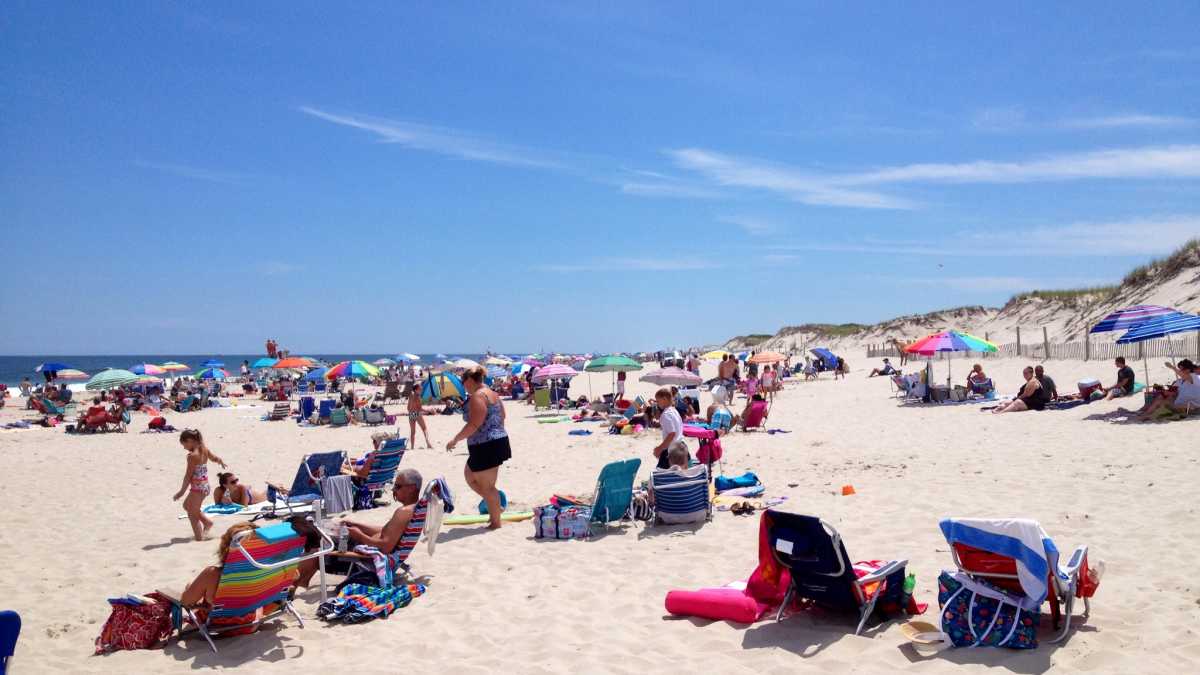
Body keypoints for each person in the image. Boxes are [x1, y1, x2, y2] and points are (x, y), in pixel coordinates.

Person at [296, 469, 424, 587]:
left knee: (316, 543)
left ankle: (296, 584)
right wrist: (356, 525)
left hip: (366, 562)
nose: (393, 490)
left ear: (412, 488)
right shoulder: (414, 509)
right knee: (325, 532)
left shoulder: (403, 512)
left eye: (398, 486)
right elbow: (386, 532)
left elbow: (386, 546)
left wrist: (359, 535)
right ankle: (301, 581)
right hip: (369, 552)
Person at [447, 366, 510, 529]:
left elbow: (474, 424)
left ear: (470, 380)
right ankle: (495, 505)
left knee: (487, 487)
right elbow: (502, 416)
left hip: (486, 445)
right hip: (495, 441)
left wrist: (455, 439)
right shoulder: (493, 394)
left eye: (463, 381)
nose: (463, 384)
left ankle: (496, 522)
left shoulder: (478, 396)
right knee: (470, 476)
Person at [180, 522, 257, 610]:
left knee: (189, 587)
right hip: (250, 618)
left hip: (220, 621)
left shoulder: (213, 574)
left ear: (225, 546)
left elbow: (185, 602)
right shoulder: (264, 569)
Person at [174, 429, 228, 541]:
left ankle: (199, 538)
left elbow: (188, 476)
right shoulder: (204, 449)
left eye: (184, 445)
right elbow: (214, 458)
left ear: (189, 441)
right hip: (204, 487)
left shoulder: (192, 456)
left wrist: (181, 492)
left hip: (197, 489)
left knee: (191, 514)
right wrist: (220, 461)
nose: (184, 448)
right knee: (187, 506)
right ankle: (207, 522)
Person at [651, 387, 687, 470]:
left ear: (664, 399)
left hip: (672, 450)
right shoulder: (674, 411)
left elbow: (671, 434)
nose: (657, 404)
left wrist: (659, 448)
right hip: (682, 446)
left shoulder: (666, 414)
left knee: (662, 473)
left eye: (658, 401)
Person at [213, 472, 288, 506]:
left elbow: (244, 506)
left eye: (237, 480)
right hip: (245, 493)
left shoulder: (241, 487)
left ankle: (278, 485)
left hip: (253, 497)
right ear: (225, 485)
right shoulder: (218, 491)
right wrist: (223, 502)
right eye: (233, 482)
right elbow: (217, 505)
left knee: (266, 495)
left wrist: (231, 504)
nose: (236, 483)